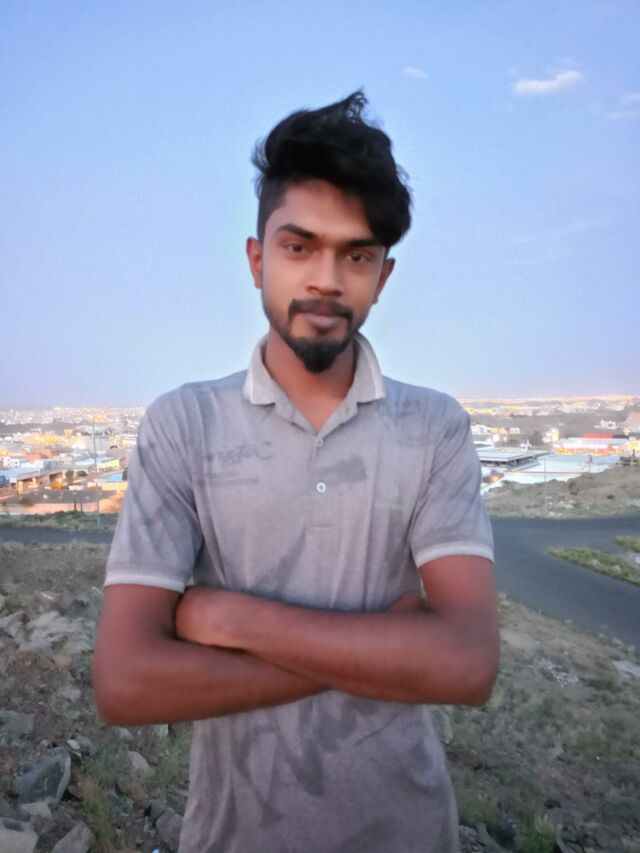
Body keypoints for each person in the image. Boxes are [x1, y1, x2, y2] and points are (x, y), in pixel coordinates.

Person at [93, 91, 499, 853]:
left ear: (384, 275)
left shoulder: (433, 427)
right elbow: (125, 682)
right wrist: (391, 651)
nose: (326, 279)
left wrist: (233, 621)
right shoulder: (185, 424)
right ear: (257, 260)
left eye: (357, 254)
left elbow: (469, 664)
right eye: (299, 246)